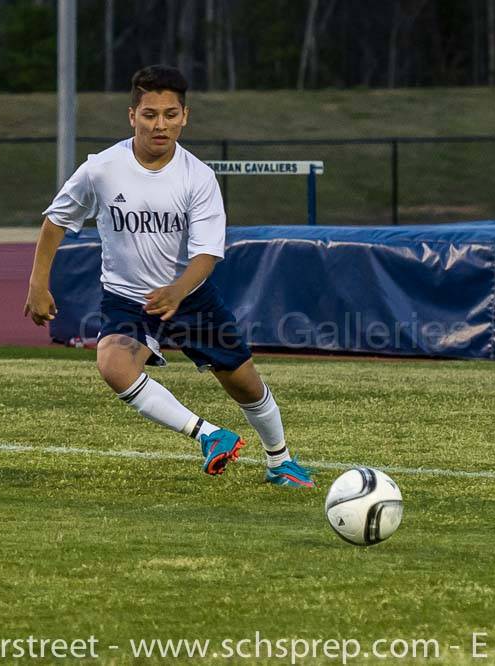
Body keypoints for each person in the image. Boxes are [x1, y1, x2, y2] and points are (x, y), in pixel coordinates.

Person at [24, 65, 314, 488]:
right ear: (132, 116)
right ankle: (210, 435)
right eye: (150, 114)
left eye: (170, 114)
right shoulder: (101, 169)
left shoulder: (198, 177)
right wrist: (37, 283)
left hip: (191, 298)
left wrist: (178, 291)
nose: (160, 124)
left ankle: (280, 461)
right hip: (127, 300)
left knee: (245, 385)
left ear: (185, 117)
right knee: (113, 365)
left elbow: (208, 253)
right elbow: (56, 221)